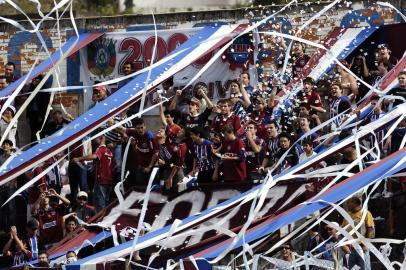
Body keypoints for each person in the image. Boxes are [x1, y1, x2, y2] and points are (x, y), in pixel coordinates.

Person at [73, 133, 116, 212]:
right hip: (109, 180)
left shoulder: (101, 149)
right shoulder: (109, 151)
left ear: (101, 138)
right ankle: (104, 217)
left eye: (96, 137)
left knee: (100, 203)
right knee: (105, 201)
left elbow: (94, 156)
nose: (94, 139)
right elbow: (114, 165)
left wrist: (79, 158)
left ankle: (100, 220)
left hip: (101, 179)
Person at [119, 117, 159, 186]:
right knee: (139, 186)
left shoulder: (151, 137)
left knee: (151, 187)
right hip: (141, 167)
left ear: (145, 126)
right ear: (135, 128)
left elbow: (156, 153)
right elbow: (121, 129)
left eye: (142, 127)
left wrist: (149, 166)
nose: (140, 130)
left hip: (151, 167)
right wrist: (125, 135)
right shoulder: (134, 133)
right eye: (138, 128)